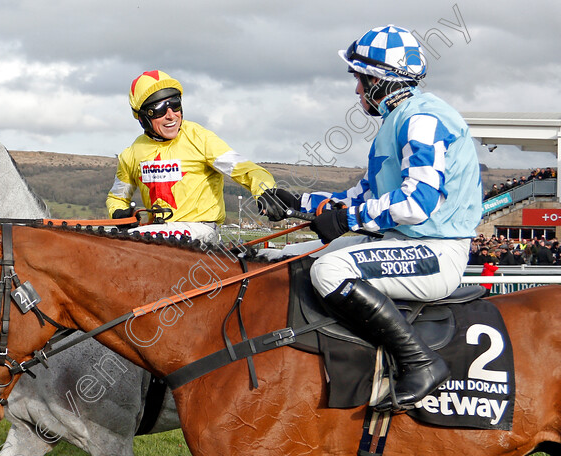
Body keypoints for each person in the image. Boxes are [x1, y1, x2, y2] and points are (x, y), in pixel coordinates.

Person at [258, 25, 482, 411]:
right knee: (281, 258)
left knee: (329, 271)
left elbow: (418, 202)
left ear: (381, 80)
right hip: (402, 242)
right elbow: (361, 198)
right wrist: (299, 203)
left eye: (360, 79)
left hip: (435, 252)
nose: (357, 89)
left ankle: (421, 363)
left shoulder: (423, 120)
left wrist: (346, 222)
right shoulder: (394, 124)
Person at [106, 70, 276, 243]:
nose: (171, 115)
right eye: (159, 110)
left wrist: (266, 191)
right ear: (142, 118)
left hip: (200, 232)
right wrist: (118, 213)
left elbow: (246, 169)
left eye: (175, 104)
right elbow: (117, 198)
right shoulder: (131, 154)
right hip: (157, 233)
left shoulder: (200, 138)